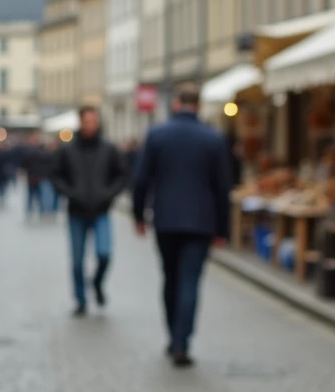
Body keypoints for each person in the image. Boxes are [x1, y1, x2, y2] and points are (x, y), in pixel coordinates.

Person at [132, 83, 232, 367]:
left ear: (176, 104)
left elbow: (140, 180)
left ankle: (172, 334)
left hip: (165, 220)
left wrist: (139, 216)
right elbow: (222, 188)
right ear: (198, 105)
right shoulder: (213, 139)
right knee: (190, 280)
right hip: (201, 222)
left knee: (170, 277)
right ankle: (181, 341)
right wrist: (223, 230)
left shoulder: (157, 135)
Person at [49, 107, 127, 316]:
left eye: (94, 121)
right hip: (76, 211)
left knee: (104, 254)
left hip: (101, 210)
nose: (90, 125)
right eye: (87, 121)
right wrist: (70, 193)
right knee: (77, 260)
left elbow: (121, 175)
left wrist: (108, 194)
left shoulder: (109, 148)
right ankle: (80, 299)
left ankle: (97, 283)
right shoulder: (67, 149)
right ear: (80, 122)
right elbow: (56, 176)